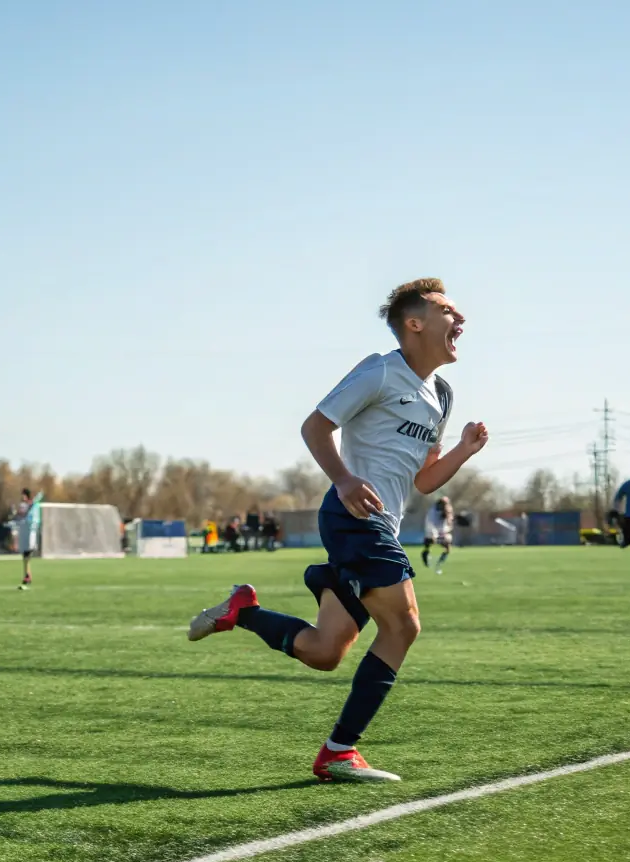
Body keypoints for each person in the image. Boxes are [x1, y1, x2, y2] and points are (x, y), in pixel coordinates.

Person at [187, 277, 487, 782]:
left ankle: (243, 611)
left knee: (324, 651)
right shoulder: (380, 371)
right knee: (404, 625)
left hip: (380, 526)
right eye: (448, 311)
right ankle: (339, 751)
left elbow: (425, 478)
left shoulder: (443, 394)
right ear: (415, 323)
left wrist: (463, 450)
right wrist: (345, 479)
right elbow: (315, 426)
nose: (461, 319)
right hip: (354, 518)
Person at [15, 488, 41, 588]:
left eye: (23, 495)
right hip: (23, 530)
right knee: (25, 553)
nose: (22, 497)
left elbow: (35, 517)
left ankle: (27, 574)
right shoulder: (24, 505)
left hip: (31, 530)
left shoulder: (35, 505)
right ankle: (27, 575)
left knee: (29, 551)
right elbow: (20, 513)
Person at [421, 495, 454, 574]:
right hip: (431, 532)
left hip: (442, 532)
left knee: (448, 548)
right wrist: (434, 533)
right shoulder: (433, 511)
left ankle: (439, 564)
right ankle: (425, 554)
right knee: (430, 544)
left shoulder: (447, 510)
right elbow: (430, 523)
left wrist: (447, 529)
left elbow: (449, 524)